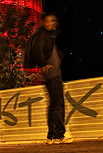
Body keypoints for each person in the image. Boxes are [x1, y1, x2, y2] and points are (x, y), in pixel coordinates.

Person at [33, 13, 72, 145]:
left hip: (53, 74)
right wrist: (43, 63)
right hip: (53, 75)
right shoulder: (43, 35)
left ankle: (51, 135)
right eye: (51, 21)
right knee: (58, 104)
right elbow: (37, 49)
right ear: (45, 23)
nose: (54, 23)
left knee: (54, 104)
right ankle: (58, 135)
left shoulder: (47, 36)